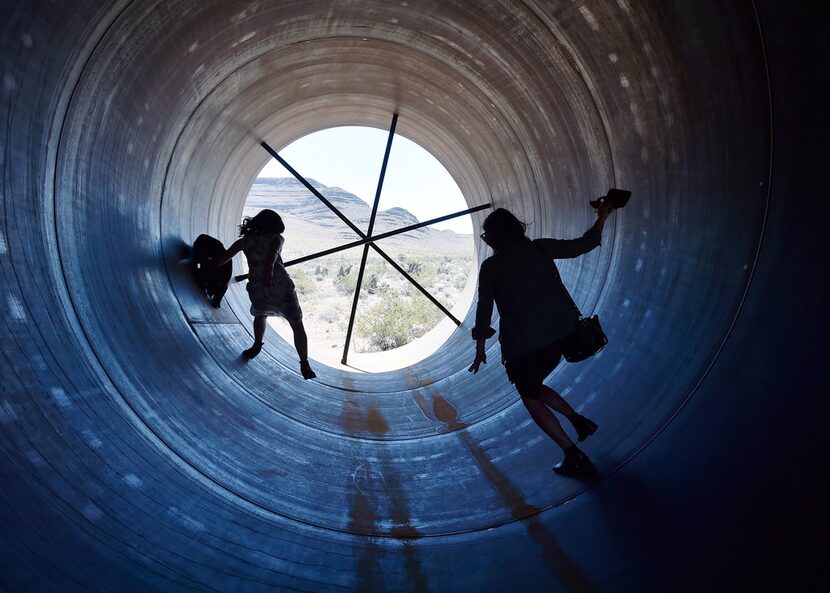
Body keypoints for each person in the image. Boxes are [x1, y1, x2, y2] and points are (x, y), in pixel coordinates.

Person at [468, 201, 612, 477]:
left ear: (492, 237)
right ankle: (578, 421)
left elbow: (484, 309)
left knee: (529, 396)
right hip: (563, 336)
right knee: (533, 386)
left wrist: (480, 348)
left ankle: (573, 454)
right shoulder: (540, 247)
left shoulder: (491, 266)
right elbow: (587, 243)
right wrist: (603, 215)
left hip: (524, 347)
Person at [211, 209, 316, 380]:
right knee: (296, 323)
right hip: (281, 287)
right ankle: (304, 363)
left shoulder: (244, 242)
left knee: (260, 315)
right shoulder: (277, 238)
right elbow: (272, 255)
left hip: (258, 287)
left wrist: (205, 263)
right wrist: (269, 271)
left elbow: (222, 259)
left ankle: (257, 345)